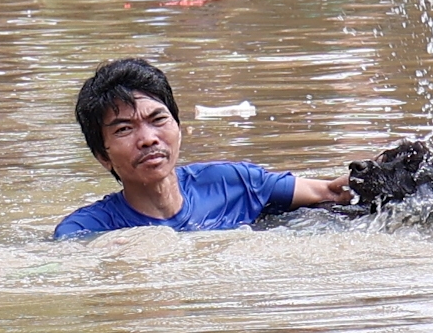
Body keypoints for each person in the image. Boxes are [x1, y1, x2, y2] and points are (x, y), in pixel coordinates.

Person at [54, 58, 348, 239]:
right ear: (103, 156)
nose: (147, 139)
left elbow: (331, 192)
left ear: (178, 128)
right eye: (124, 129)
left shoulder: (235, 183)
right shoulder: (87, 230)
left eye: (158, 119)